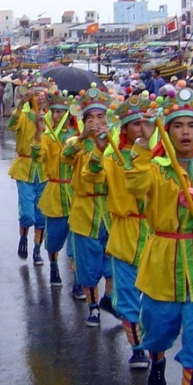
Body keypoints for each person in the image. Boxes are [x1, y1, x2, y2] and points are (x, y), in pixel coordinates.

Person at [126, 87, 193, 385]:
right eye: (178, 125)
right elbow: (135, 186)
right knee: (156, 331)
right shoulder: (155, 169)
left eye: (191, 125)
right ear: (167, 130)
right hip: (161, 262)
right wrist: (143, 143)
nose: (185, 131)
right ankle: (157, 361)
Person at [81, 92, 153, 369]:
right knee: (128, 296)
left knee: (157, 300)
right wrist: (99, 149)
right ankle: (137, 349)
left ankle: (155, 349)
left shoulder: (158, 159)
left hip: (155, 232)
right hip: (124, 231)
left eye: (145, 124)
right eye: (135, 124)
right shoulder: (111, 158)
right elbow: (90, 176)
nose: (141, 129)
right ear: (124, 129)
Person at [64, 87, 113, 326]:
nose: (96, 122)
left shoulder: (115, 143)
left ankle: (109, 298)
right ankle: (93, 307)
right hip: (84, 210)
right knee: (87, 263)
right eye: (90, 118)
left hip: (111, 208)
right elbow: (65, 156)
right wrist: (83, 138)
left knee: (113, 261)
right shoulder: (77, 142)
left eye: (100, 116)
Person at [34, 90, 78, 287]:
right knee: (54, 238)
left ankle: (77, 280)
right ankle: (53, 265)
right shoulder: (48, 136)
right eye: (54, 112)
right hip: (55, 192)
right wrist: (38, 130)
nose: (57, 115)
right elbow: (37, 156)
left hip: (77, 194)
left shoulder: (79, 136)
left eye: (61, 112)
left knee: (77, 242)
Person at [8, 78, 48, 261]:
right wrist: (20, 105)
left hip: (45, 171)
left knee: (41, 215)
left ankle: (37, 249)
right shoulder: (24, 117)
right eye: (36, 95)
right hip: (24, 168)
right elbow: (11, 125)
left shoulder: (51, 120)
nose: (40, 98)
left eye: (43, 95)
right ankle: (23, 236)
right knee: (27, 213)